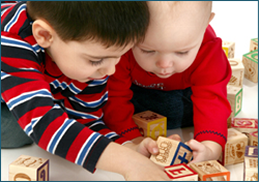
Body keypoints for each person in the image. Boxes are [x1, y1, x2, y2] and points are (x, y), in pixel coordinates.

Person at [1, 1, 171, 180]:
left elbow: (85, 118)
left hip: (37, 79)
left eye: (119, 57)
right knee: (16, 132)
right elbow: (44, 124)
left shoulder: (93, 55)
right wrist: (128, 162)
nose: (110, 71)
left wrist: (128, 148)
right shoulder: (11, 40)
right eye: (97, 61)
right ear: (44, 35)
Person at [104, 1, 232, 164]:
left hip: (187, 96)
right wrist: (133, 141)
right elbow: (114, 98)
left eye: (182, 52)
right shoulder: (121, 46)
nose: (164, 64)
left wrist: (210, 147)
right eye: (148, 50)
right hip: (136, 94)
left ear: (206, 23)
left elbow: (212, 100)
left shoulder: (209, 49)